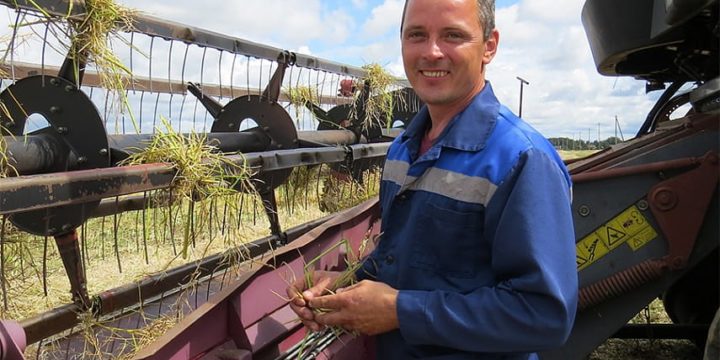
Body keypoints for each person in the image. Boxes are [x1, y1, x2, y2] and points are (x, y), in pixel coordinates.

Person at [287, 0, 578, 358]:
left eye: (453, 35)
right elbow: (405, 258)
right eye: (417, 35)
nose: (432, 52)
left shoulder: (521, 159)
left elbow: (544, 315)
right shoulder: (402, 150)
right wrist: (347, 284)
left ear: (489, 46)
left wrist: (399, 311)